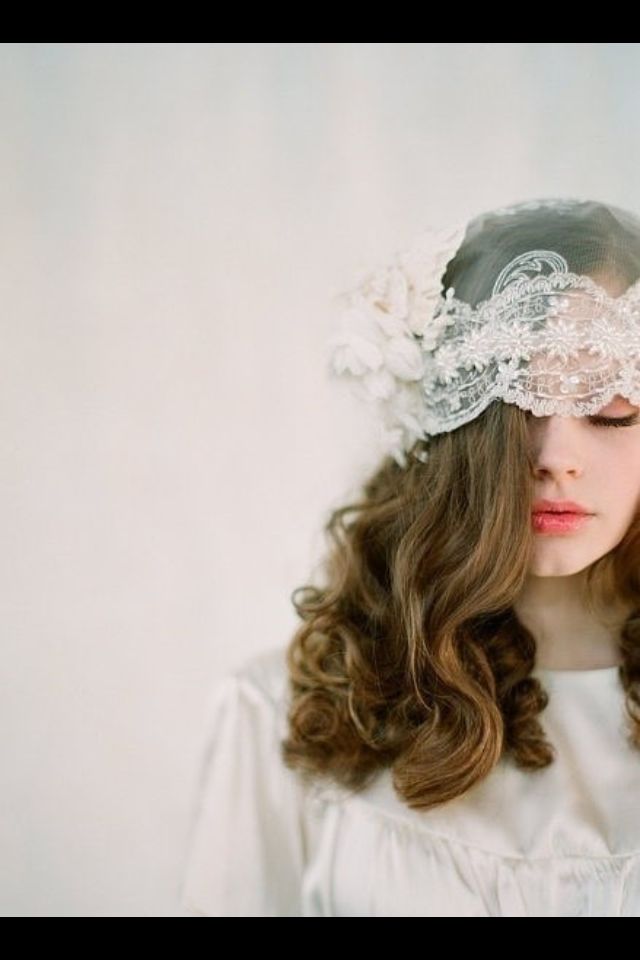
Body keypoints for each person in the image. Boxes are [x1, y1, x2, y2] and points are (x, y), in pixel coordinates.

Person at [179, 198, 640, 916]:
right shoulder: (293, 714)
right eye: (515, 404)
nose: (557, 457)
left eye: (610, 408)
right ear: (452, 420)